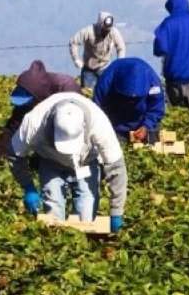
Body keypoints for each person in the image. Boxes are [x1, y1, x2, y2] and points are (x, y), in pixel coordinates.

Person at [7, 94, 129, 233]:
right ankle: (55, 242)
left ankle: (81, 242)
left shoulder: (99, 123)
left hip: (86, 163)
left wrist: (116, 212)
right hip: (50, 161)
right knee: (53, 217)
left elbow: (116, 169)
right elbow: (14, 154)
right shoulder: (34, 122)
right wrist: (28, 187)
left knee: (86, 218)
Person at [0, 60, 83, 159]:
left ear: (37, 97)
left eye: (28, 102)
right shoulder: (27, 91)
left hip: (66, 132)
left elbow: (73, 125)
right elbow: (14, 124)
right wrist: (0, 150)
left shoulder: (67, 88)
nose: (25, 105)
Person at [93, 57, 166, 144]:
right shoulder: (106, 81)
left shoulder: (153, 82)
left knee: (153, 142)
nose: (132, 102)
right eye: (127, 98)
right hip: (115, 122)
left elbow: (156, 109)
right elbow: (98, 110)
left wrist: (146, 126)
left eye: (136, 99)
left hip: (142, 119)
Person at [68, 12, 125, 89]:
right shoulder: (89, 31)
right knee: (88, 93)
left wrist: (119, 62)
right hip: (89, 70)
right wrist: (76, 59)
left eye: (108, 29)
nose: (106, 31)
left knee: (106, 91)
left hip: (105, 68)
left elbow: (121, 47)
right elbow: (73, 42)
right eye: (104, 29)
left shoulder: (113, 32)